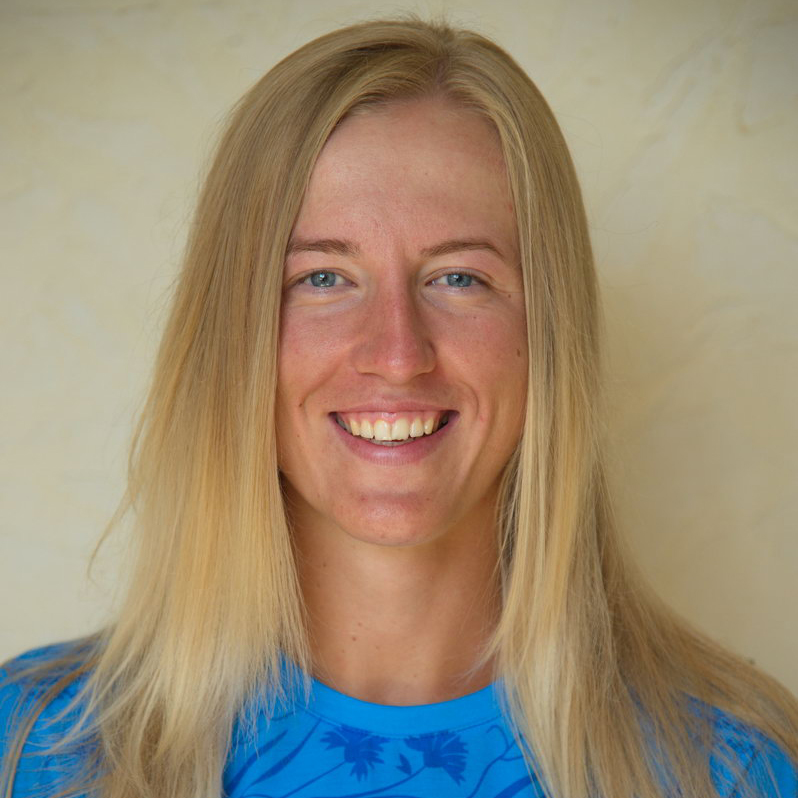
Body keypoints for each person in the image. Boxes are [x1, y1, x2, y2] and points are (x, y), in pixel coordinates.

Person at [1, 13, 796, 798]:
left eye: (459, 278)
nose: (396, 353)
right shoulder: (29, 749)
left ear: (551, 332)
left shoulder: (733, 771)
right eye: (322, 278)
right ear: (231, 339)